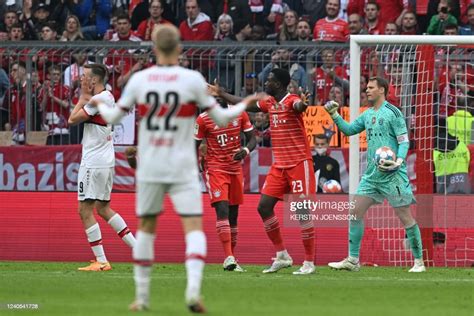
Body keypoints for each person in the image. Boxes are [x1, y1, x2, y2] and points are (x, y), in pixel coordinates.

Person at [95, 24, 264, 313]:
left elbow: (111, 115)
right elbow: (222, 119)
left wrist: (95, 99)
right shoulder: (191, 79)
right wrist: (245, 104)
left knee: (147, 229)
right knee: (193, 228)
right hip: (182, 163)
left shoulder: (141, 80)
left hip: (153, 162)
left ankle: (142, 297)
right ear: (180, 49)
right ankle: (193, 292)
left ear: (154, 47)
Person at [209, 68, 316, 275]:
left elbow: (299, 106)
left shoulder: (290, 100)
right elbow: (245, 103)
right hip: (280, 165)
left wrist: (304, 103)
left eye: (269, 80)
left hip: (298, 163)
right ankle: (282, 255)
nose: (265, 83)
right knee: (264, 207)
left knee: (302, 210)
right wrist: (221, 94)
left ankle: (309, 262)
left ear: (278, 84)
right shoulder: (269, 103)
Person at [324, 77, 425, 273]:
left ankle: (419, 262)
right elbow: (350, 130)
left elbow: (404, 141)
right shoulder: (368, 114)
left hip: (393, 174)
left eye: (370, 88)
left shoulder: (393, 113)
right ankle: (353, 260)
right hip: (372, 175)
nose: (367, 90)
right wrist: (334, 115)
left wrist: (399, 160)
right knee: (354, 212)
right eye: (367, 87)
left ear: (382, 90)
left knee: (405, 217)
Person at [67, 63, 136, 272]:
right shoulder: (108, 96)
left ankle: (101, 261)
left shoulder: (96, 100)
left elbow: (71, 119)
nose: (81, 79)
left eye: (85, 76)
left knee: (84, 210)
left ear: (94, 80)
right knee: (103, 208)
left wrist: (81, 98)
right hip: (106, 159)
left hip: (94, 162)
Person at [194, 98, 256, 272]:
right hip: (215, 169)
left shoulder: (238, 113)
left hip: (235, 169)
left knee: (233, 215)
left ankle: (232, 259)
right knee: (222, 210)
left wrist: (245, 151)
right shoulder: (203, 119)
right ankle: (228, 257)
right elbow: (194, 145)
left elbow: (252, 139)